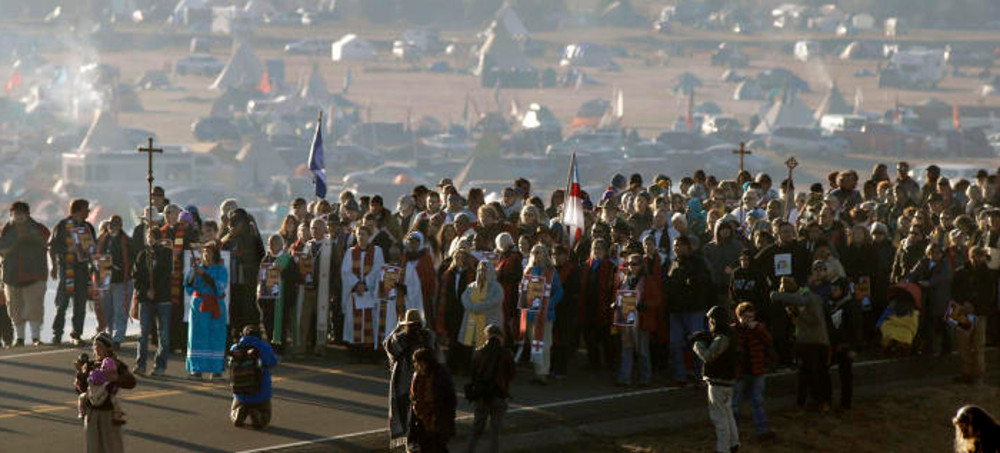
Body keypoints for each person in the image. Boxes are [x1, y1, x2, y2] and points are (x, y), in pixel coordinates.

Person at [771, 276, 831, 413]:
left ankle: (821, 403)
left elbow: (814, 320)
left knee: (817, 375)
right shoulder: (804, 298)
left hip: (816, 341)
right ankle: (806, 403)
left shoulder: (808, 297)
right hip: (805, 341)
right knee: (805, 375)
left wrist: (796, 311)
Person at [384, 309, 437, 450]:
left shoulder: (399, 338)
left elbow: (387, 345)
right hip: (424, 378)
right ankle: (420, 440)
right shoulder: (428, 337)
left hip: (403, 379)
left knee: (405, 409)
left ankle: (409, 442)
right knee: (422, 410)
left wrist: (397, 327)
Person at [0, 201, 50, 346]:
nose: (18, 216)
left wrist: (28, 238)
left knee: (34, 307)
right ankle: (20, 338)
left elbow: (46, 241)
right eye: (16, 213)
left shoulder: (38, 228)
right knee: (14, 309)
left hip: (35, 274)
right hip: (11, 276)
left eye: (21, 213)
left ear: (28, 214)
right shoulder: (6, 231)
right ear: (11, 215)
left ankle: (35, 337)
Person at [666, 236, 713, 386]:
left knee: (697, 344)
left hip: (694, 309)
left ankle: (701, 374)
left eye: (679, 245)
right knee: (676, 343)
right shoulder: (673, 264)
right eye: (675, 246)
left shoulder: (698, 262)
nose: (676, 248)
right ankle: (680, 376)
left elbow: (705, 283)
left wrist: (690, 283)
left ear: (687, 247)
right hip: (676, 310)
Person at [50, 199, 97, 346]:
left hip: (83, 270)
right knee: (62, 303)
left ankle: (76, 334)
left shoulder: (88, 227)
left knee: (80, 304)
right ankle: (57, 334)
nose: (88, 212)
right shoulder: (63, 225)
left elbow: (93, 249)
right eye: (86, 209)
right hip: (67, 269)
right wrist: (55, 267)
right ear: (78, 210)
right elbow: (53, 247)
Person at [692, 306, 739, 453]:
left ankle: (723, 448)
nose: (710, 323)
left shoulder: (722, 338)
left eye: (711, 320)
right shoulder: (729, 333)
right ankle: (733, 443)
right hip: (728, 382)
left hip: (718, 382)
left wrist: (698, 343)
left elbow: (708, 356)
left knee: (719, 418)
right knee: (728, 414)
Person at [517, 244, 563, 385]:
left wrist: (549, 304)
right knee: (534, 344)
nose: (536, 255)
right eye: (533, 252)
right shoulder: (529, 270)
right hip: (530, 314)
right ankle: (538, 372)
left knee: (544, 343)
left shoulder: (551, 272)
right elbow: (524, 292)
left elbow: (559, 291)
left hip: (545, 314)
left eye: (539, 252)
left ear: (544, 254)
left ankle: (543, 373)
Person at [465, 324, 516, 453]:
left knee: (476, 431)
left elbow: (472, 375)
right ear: (500, 337)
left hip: (482, 396)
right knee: (495, 432)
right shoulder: (507, 353)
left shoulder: (477, 353)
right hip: (499, 395)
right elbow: (512, 375)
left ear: (486, 336)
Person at [75, 332, 128, 453]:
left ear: (107, 349)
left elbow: (129, 382)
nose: (96, 351)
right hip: (91, 412)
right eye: (95, 348)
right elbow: (81, 389)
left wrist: (115, 378)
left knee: (111, 447)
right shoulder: (90, 365)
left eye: (99, 348)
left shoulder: (116, 364)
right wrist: (81, 375)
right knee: (93, 447)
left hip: (108, 412)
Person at [952, 247, 997, 384]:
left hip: (979, 313)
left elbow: (989, 296)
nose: (977, 259)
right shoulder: (960, 273)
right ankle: (966, 373)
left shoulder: (988, 275)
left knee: (978, 346)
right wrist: (964, 303)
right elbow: (954, 291)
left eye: (980, 256)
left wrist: (973, 305)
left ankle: (978, 375)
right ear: (970, 256)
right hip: (962, 312)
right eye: (975, 256)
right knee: (963, 346)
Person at [731, 302, 775, 442]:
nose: (749, 320)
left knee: (758, 401)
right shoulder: (733, 331)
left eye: (751, 317)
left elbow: (769, 341)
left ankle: (762, 430)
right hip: (741, 373)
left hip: (756, 371)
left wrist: (757, 329)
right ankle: (733, 431)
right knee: (735, 404)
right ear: (739, 317)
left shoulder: (759, 328)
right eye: (746, 317)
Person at [132, 229, 173, 377]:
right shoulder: (142, 255)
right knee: (143, 334)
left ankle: (160, 365)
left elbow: (166, 272)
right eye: (149, 237)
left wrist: (155, 288)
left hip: (163, 299)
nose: (151, 240)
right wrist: (145, 291)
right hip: (146, 300)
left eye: (154, 237)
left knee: (163, 334)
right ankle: (140, 364)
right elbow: (135, 277)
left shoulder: (166, 253)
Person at [185, 244, 229, 380]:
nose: (206, 254)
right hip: (199, 306)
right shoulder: (197, 268)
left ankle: (216, 370)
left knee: (216, 336)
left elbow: (219, 287)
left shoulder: (221, 270)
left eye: (209, 252)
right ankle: (195, 369)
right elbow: (189, 285)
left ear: (215, 254)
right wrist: (194, 273)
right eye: (204, 252)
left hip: (215, 305)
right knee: (196, 336)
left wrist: (203, 274)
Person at [340, 224, 385, 354]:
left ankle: (369, 352)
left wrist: (365, 283)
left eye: (363, 234)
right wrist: (356, 284)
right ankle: (356, 351)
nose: (360, 237)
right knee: (354, 322)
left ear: (369, 236)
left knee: (370, 321)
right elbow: (345, 271)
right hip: (355, 294)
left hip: (369, 293)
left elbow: (378, 269)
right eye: (358, 234)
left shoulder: (377, 251)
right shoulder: (350, 252)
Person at [230, 325, 278, 430]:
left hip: (240, 391)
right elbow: (273, 362)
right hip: (261, 392)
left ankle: (237, 412)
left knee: (235, 406)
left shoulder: (235, 348)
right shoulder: (264, 346)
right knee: (265, 419)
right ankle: (258, 415)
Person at [408, 348, 456, 453]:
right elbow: (413, 399)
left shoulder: (441, 375)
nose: (416, 365)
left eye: (418, 362)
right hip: (421, 420)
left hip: (438, 419)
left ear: (426, 362)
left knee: (438, 448)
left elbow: (449, 401)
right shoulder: (417, 377)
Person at [95, 215, 131, 349]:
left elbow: (131, 260)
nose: (112, 227)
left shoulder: (126, 241)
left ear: (120, 226)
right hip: (105, 279)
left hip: (121, 280)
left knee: (120, 310)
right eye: (110, 224)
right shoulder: (102, 240)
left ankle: (118, 337)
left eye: (115, 225)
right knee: (107, 310)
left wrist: (118, 267)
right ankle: (109, 334)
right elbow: (95, 257)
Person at [459, 261, 504, 351]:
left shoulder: (496, 287)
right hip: (472, 322)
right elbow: (464, 298)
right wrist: (471, 307)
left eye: (483, 270)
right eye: (479, 270)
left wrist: (479, 307)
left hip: (489, 320)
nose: (481, 272)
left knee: (488, 347)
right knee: (472, 347)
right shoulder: (471, 286)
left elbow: (496, 300)